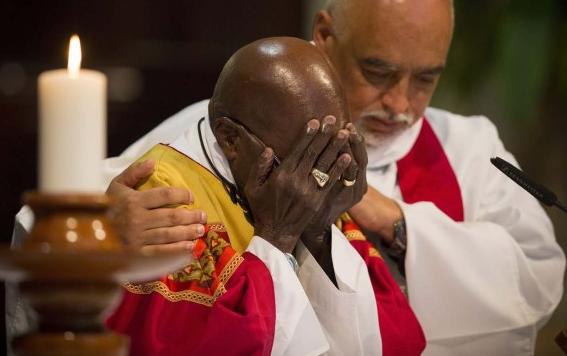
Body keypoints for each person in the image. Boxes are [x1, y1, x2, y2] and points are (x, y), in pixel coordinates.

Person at [8, 0, 566, 356]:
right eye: (378, 71)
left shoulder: (468, 147)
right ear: (325, 36)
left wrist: (387, 220)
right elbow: (49, 225)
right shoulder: (206, 143)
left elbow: (535, 283)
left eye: (425, 80)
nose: (400, 103)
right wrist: (101, 230)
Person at [104, 36, 426, 355]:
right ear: (231, 140)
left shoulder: (315, 181)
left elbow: (396, 340)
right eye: (305, 156)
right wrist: (276, 236)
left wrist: (318, 234)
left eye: (336, 145)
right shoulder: (164, 199)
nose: (320, 178)